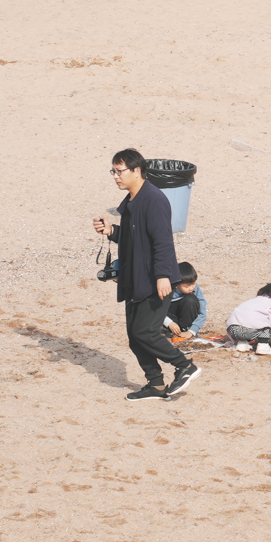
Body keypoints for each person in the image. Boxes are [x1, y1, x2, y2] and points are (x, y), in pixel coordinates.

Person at [95, 149, 193, 401]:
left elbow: (163, 241)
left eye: (120, 171)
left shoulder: (154, 200)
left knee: (145, 332)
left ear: (136, 171)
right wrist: (112, 231)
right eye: (113, 171)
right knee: (135, 337)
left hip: (154, 280)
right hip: (135, 279)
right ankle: (156, 384)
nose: (115, 176)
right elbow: (133, 237)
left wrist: (163, 275)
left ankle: (184, 366)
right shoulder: (132, 200)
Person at [225, 281, 271, 352]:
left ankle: (242, 343)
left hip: (232, 330)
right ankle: (263, 347)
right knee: (267, 326)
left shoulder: (253, 301)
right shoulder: (270, 305)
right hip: (248, 331)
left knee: (253, 326)